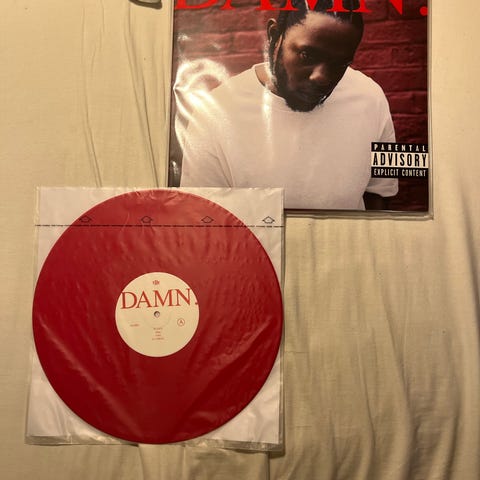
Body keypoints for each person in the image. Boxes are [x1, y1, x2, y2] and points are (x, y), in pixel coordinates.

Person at [178, 0, 398, 210]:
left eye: (339, 64)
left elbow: (380, 194)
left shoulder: (372, 98)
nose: (322, 77)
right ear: (274, 35)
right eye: (307, 55)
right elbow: (203, 214)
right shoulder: (214, 112)